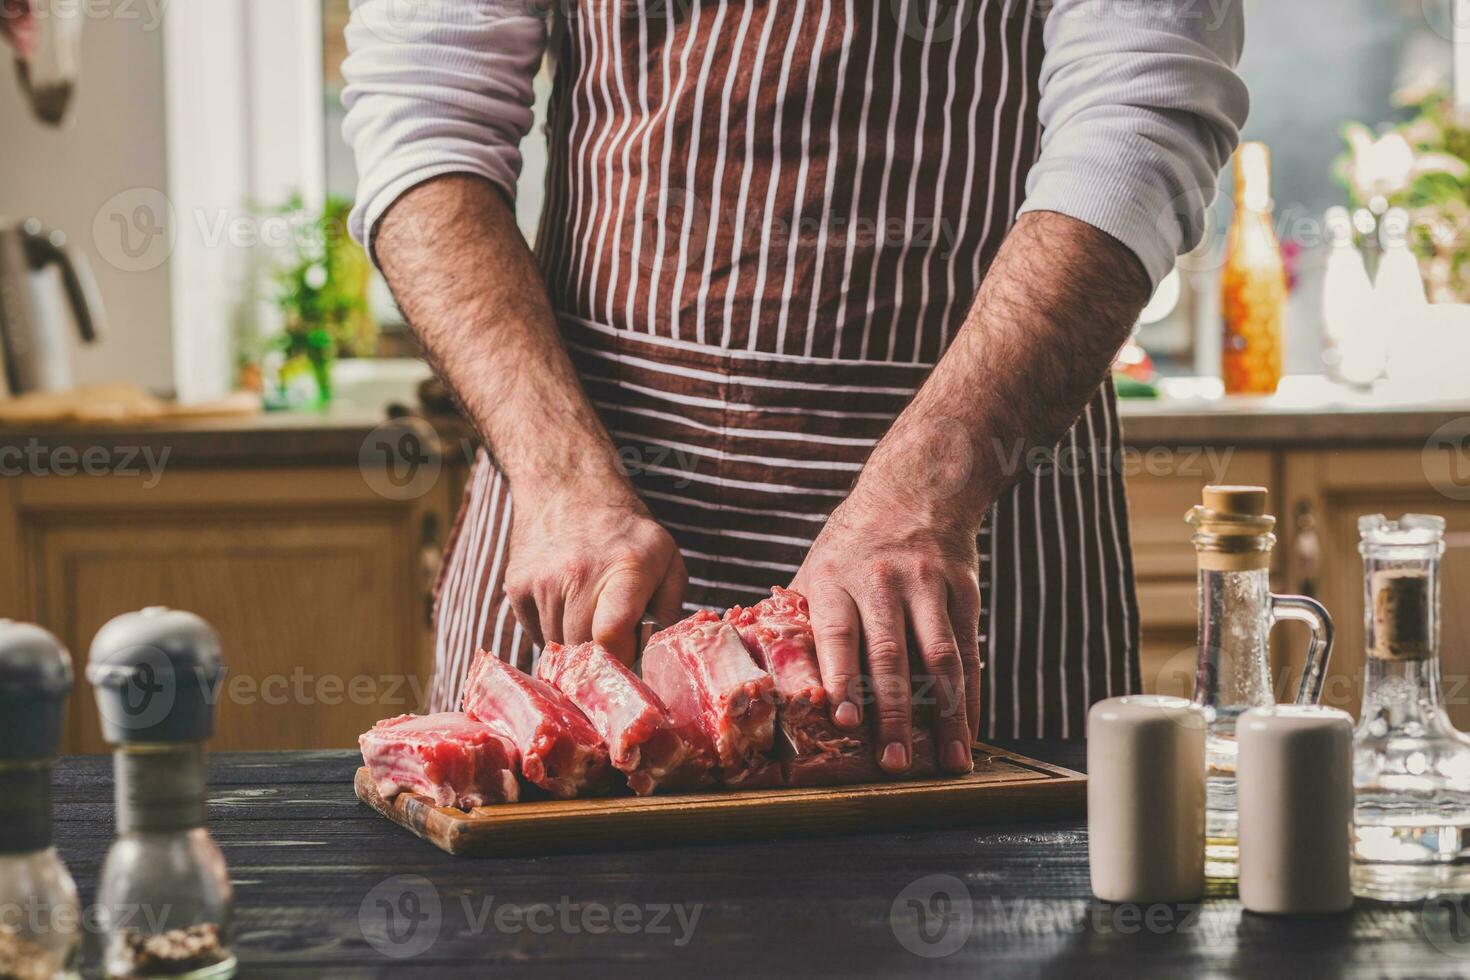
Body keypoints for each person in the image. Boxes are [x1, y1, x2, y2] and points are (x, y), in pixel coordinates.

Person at [342, 0, 1248, 770]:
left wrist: (928, 493)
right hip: (582, 507)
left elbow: (1140, 116)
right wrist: (558, 476)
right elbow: (426, 112)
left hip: (977, 510)